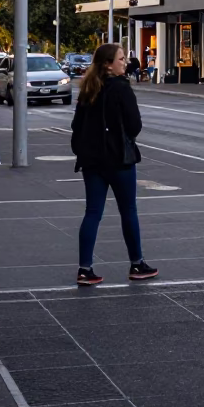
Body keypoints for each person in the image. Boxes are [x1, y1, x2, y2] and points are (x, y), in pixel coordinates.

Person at [70, 44, 158, 285]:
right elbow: (135, 125)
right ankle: (136, 263)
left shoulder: (88, 89)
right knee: (128, 210)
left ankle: (84, 268)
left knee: (92, 212)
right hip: (119, 158)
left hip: (91, 160)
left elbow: (76, 125)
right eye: (121, 59)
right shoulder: (121, 88)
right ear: (108, 63)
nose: (125, 62)